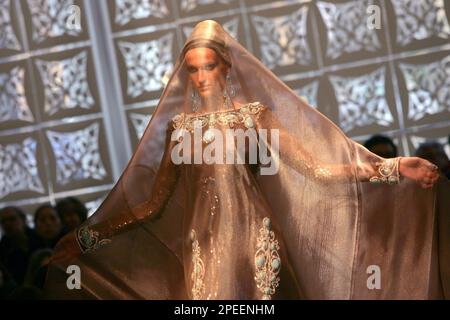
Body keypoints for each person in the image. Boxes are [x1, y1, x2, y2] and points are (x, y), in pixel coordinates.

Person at [45, 20, 449, 300]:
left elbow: (317, 170)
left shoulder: (253, 118)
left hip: (257, 243)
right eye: (193, 70)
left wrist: (392, 167)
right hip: (203, 249)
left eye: (209, 66)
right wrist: (86, 239)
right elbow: (153, 205)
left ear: (226, 65)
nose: (201, 77)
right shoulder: (180, 130)